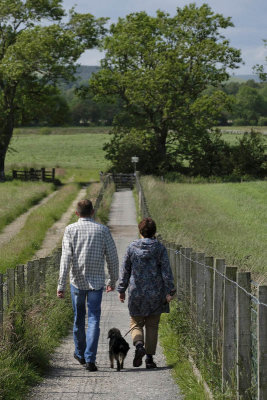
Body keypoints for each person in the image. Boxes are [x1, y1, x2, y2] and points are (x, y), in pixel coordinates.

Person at [57, 199, 119, 372]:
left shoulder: (70, 230)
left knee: (79, 318)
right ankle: (90, 359)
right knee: (93, 320)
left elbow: (65, 259)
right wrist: (112, 280)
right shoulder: (102, 230)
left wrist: (60, 285)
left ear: (77, 213)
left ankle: (80, 353)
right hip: (96, 283)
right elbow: (112, 257)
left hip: (77, 282)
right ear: (93, 212)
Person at [117, 217, 175, 369]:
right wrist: (170, 291)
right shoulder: (160, 249)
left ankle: (139, 346)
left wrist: (121, 289)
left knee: (136, 323)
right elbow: (166, 272)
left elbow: (125, 270)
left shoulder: (131, 248)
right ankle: (149, 359)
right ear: (154, 232)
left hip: (137, 293)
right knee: (152, 325)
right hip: (156, 294)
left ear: (140, 231)